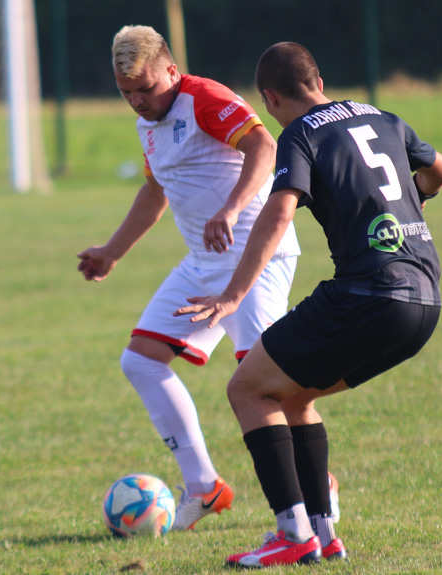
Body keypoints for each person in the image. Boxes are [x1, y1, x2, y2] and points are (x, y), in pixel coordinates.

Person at [175, 41, 442, 567]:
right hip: (425, 303)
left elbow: (279, 215)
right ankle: (323, 534)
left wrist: (233, 293)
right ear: (319, 79)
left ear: (269, 98)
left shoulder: (299, 133)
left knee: (248, 390)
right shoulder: (385, 115)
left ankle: (292, 533)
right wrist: (400, 205)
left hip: (368, 293)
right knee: (294, 395)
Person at [77, 26, 301, 531]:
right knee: (141, 360)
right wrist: (112, 252)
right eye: (125, 92)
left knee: (272, 384)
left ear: (171, 72)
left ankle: (315, 491)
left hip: (254, 257)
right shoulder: (148, 124)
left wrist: (231, 207)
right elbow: (157, 192)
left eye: (145, 88)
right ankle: (204, 487)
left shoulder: (203, 97)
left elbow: (266, 147)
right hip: (203, 262)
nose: (137, 100)